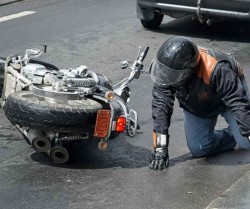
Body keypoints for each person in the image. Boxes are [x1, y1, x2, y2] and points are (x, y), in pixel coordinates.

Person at [149, 36, 250, 170]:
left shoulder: (218, 69)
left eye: (173, 75)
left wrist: (247, 131)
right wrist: (160, 148)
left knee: (246, 143)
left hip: (229, 100)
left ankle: (240, 135)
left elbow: (237, 103)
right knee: (199, 148)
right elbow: (160, 108)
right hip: (197, 104)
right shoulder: (167, 72)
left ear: (189, 70)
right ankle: (233, 135)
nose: (168, 78)